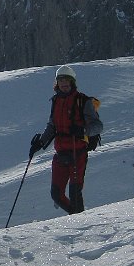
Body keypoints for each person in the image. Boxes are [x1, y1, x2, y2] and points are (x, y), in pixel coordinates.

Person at [29, 65, 103, 215]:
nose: (64, 83)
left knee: (75, 193)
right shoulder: (55, 101)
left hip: (78, 153)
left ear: (72, 82)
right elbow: (52, 126)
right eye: (60, 80)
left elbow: (98, 126)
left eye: (67, 80)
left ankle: (78, 221)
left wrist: (82, 130)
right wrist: (40, 143)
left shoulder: (83, 101)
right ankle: (75, 216)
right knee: (56, 194)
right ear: (57, 83)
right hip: (61, 153)